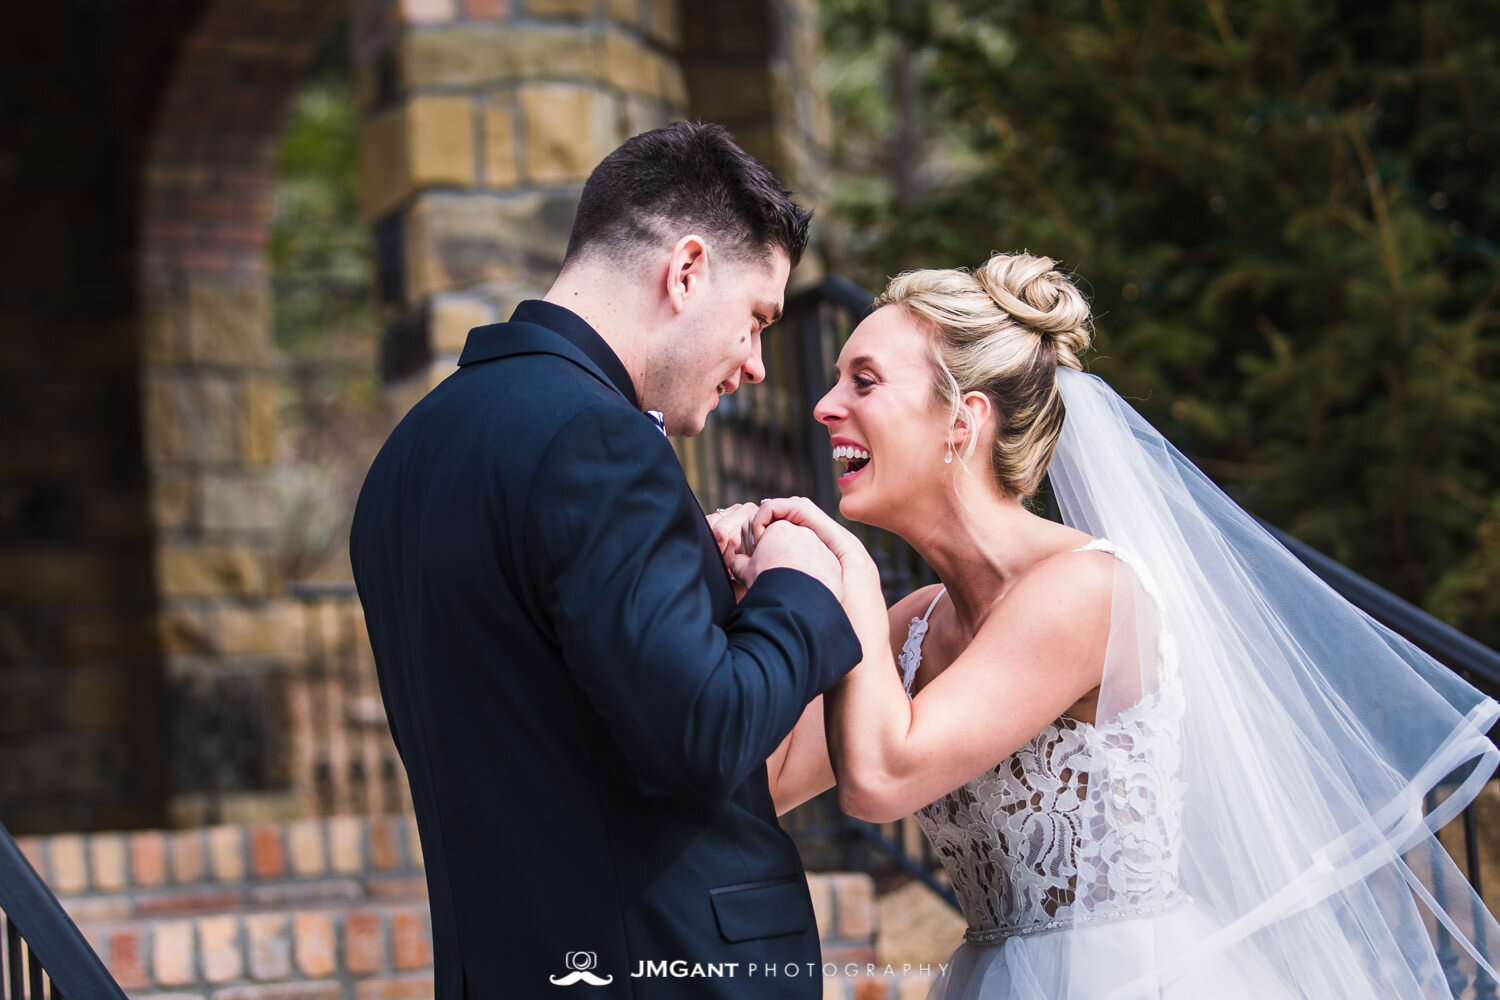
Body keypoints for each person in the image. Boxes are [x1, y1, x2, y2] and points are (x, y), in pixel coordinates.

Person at [719, 253, 1500, 998]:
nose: (824, 407)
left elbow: (883, 778)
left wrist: (843, 567)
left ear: (964, 420)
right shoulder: (912, 625)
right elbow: (770, 783)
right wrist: (745, 591)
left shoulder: (1089, 592)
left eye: (864, 381)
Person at [349, 122, 863, 999]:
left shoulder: (409, 455)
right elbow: (701, 734)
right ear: (687, 269)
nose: (758, 364)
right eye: (757, 320)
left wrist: (687, 575)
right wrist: (799, 586)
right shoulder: (599, 441)